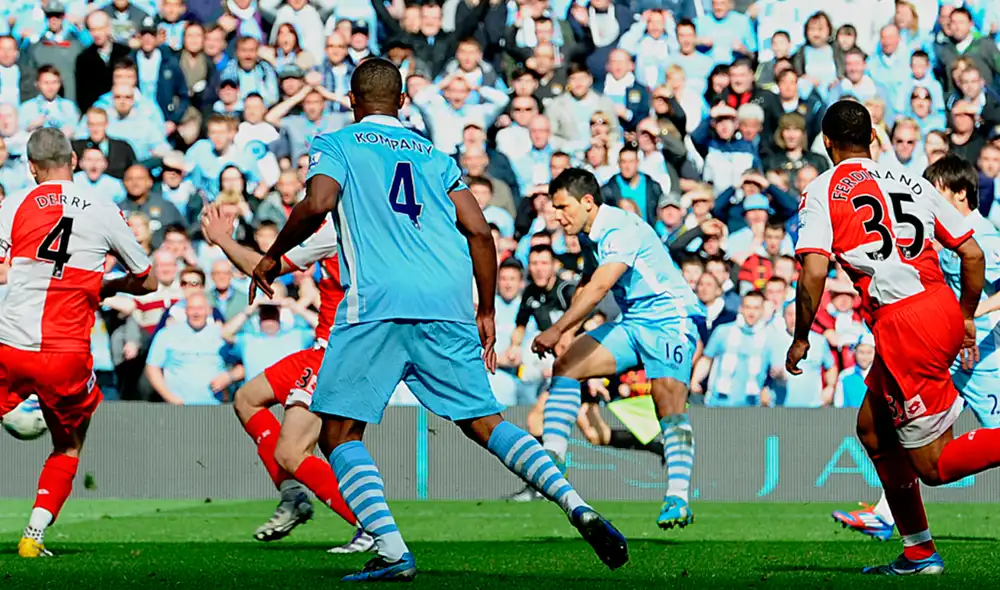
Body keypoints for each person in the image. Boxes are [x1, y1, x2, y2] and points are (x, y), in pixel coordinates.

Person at [247, 58, 628, 581]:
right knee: (486, 423)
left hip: (379, 303)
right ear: (403, 103)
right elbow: (478, 229)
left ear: (353, 103)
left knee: (337, 434)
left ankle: (391, 549)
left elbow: (318, 202)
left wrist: (272, 254)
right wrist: (487, 309)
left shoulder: (336, 143)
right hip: (448, 304)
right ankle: (575, 504)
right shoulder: (434, 155)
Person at [788, 101, 1000, 575]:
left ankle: (923, 556)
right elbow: (971, 253)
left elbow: (813, 272)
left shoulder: (822, 191)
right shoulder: (912, 182)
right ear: (873, 139)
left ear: (826, 142)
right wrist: (964, 316)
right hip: (940, 307)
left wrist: (801, 337)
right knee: (872, 428)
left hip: (906, 325)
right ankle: (918, 553)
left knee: (934, 465)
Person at [0, 128, 156, 557]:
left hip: (10, 343)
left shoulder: (12, 204)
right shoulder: (103, 209)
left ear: (31, 167)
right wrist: (105, 286)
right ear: (73, 158)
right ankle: (33, 535)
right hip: (65, 351)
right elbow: (149, 279)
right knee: (68, 443)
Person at [830, 155, 1000, 542]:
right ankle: (887, 517)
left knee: (979, 440)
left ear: (960, 193)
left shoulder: (983, 235)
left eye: (936, 189)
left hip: (982, 354)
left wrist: (968, 316)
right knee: (895, 429)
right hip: (945, 347)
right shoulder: (941, 233)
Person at [531, 167, 705, 530]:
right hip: (634, 321)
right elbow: (585, 283)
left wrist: (557, 328)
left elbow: (599, 288)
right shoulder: (591, 233)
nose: (557, 216)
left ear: (588, 202)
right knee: (567, 364)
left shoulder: (620, 228)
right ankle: (553, 458)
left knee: (667, 403)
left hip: (670, 319)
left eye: (563, 207)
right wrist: (568, 333)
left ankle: (678, 497)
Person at [200, 204, 367, 552]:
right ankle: (293, 495)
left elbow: (263, 269)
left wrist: (221, 240)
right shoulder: (378, 224)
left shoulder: (337, 229)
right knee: (247, 399)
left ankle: (369, 525)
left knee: (292, 452)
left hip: (335, 351)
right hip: (330, 346)